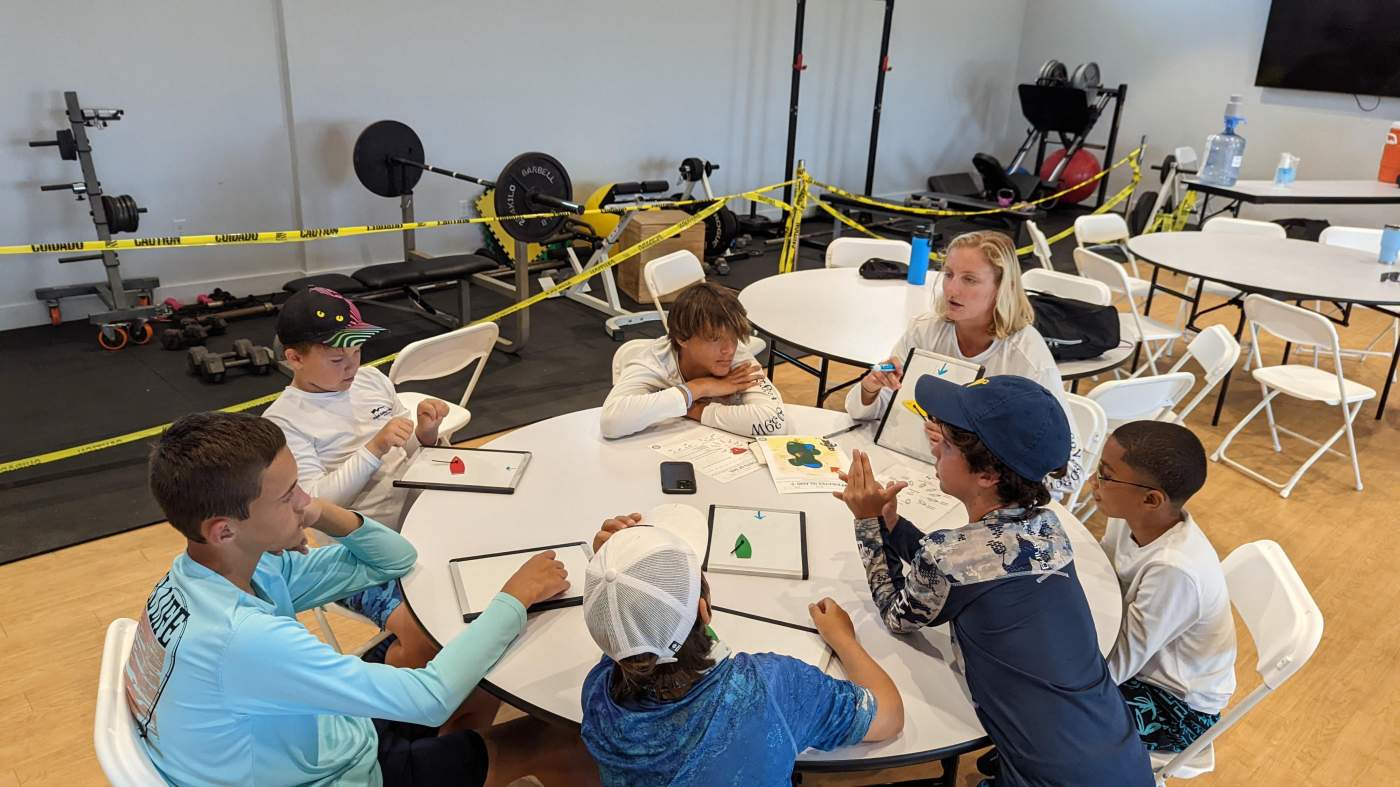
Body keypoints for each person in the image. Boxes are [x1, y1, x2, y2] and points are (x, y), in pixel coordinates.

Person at [126, 411, 598, 787]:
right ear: (224, 529)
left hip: (309, 738)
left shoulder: (219, 568)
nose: (304, 499)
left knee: (457, 658)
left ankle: (458, 759)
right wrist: (513, 598)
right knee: (564, 740)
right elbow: (429, 700)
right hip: (334, 771)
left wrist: (313, 511)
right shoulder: (243, 638)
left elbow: (393, 560)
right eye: (288, 495)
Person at [836, 375, 1152, 786]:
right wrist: (890, 523)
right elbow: (959, 568)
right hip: (1118, 758)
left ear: (987, 475)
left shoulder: (953, 558)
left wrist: (867, 524)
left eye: (947, 444)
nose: (935, 448)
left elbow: (900, 614)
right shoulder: (1047, 527)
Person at [577, 517, 903, 786]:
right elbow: (889, 716)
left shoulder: (596, 696)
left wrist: (621, 580)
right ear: (704, 611)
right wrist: (844, 639)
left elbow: (637, 639)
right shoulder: (772, 689)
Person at [263, 286, 447, 667]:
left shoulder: (371, 380)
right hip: (355, 554)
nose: (350, 366)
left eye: (356, 352)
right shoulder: (283, 421)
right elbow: (315, 504)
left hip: (425, 521)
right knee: (426, 630)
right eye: (335, 359)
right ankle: (386, 705)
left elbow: (411, 451)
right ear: (294, 358)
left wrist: (426, 435)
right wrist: (374, 449)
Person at [845, 230, 1083, 492]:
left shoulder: (1027, 359)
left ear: (1001, 288)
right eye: (948, 274)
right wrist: (870, 388)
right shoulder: (925, 330)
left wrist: (968, 448)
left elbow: (1070, 473)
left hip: (983, 491)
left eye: (969, 279)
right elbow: (877, 411)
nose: (952, 289)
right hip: (916, 470)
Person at [1090, 420, 1236, 753]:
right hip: (1132, 654)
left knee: (1051, 706)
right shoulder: (1128, 516)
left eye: (1105, 475)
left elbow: (1118, 667)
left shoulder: (1174, 569)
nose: (1092, 481)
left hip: (1175, 705)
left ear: (1152, 500)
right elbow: (1101, 574)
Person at [601, 281, 786, 439]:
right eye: (715, 339)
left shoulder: (737, 356)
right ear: (682, 338)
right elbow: (611, 422)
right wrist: (699, 387)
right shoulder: (655, 360)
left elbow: (774, 424)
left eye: (734, 337)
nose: (729, 349)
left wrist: (697, 411)